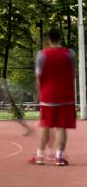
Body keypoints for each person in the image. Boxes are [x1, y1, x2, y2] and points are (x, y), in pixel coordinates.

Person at [29, 28, 76, 166]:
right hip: (66, 95)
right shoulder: (70, 53)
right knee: (62, 127)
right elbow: (73, 74)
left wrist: (39, 94)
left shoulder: (42, 55)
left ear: (48, 39)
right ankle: (59, 157)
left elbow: (38, 77)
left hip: (48, 95)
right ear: (60, 38)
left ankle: (39, 156)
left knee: (46, 126)